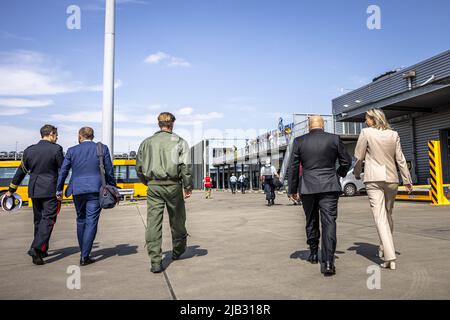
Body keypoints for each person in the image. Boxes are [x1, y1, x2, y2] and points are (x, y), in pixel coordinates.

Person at [288, 115, 352, 276]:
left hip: (308, 187)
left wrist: (292, 190)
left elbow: (293, 167)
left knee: (311, 220)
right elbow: (346, 161)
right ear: (323, 125)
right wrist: (338, 174)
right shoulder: (334, 139)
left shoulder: (299, 141)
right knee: (329, 222)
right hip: (329, 185)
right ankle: (329, 262)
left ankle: (314, 253)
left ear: (309, 126)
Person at [354, 108, 413, 270]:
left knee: (380, 217)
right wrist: (407, 179)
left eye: (367, 118)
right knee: (388, 214)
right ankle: (383, 246)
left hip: (373, 178)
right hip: (392, 178)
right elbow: (400, 158)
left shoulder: (366, 133)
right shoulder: (393, 134)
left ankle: (389, 256)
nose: (365, 121)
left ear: (374, 119)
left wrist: (357, 172)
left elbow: (359, 156)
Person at [136, 112, 193, 273]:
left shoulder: (146, 143)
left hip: (154, 186)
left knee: (153, 222)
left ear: (158, 124)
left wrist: (147, 182)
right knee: (178, 219)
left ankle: (155, 260)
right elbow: (186, 167)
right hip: (173, 185)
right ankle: (178, 250)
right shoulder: (180, 142)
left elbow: (139, 167)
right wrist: (187, 187)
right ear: (172, 124)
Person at [56, 127, 116, 266]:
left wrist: (59, 189)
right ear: (92, 136)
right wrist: (112, 186)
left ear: (80, 136)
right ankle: (85, 256)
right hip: (96, 189)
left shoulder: (72, 150)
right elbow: (109, 169)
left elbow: (63, 171)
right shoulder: (102, 148)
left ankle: (84, 251)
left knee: (80, 219)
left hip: (77, 190)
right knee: (91, 221)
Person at [6, 124, 63, 265]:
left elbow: (21, 171)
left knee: (38, 221)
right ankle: (36, 248)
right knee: (49, 219)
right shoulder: (56, 149)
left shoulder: (29, 150)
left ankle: (41, 252)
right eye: (56, 134)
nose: (57, 137)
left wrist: (11, 189)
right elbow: (63, 170)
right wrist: (60, 190)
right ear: (50, 134)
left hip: (34, 190)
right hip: (50, 189)